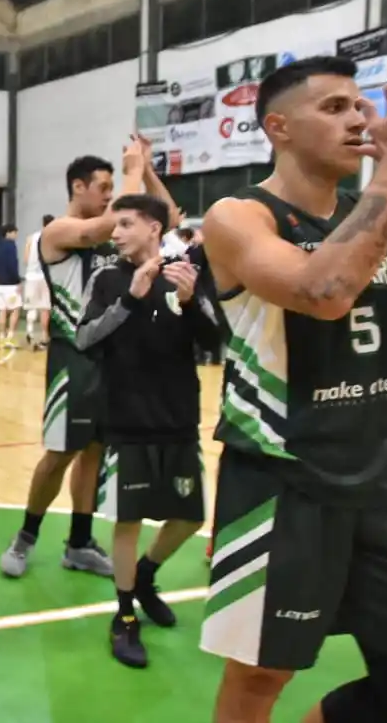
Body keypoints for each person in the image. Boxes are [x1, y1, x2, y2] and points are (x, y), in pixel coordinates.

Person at [199, 56, 387, 723]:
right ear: (278, 126)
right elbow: (324, 291)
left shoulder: (379, 216)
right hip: (285, 481)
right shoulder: (237, 216)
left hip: (383, 475)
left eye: (362, 106)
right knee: (261, 679)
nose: (359, 118)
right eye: (335, 107)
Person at [0, 137, 180, 579]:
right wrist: (132, 172)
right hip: (72, 357)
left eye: (111, 186)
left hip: (115, 357)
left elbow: (168, 220)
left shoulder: (114, 233)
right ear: (78, 187)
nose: (107, 193)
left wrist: (148, 171)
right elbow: (99, 227)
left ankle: (79, 542)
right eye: (102, 186)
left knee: (95, 453)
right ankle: (25, 536)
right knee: (60, 453)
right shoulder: (59, 232)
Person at [75, 193, 220, 668]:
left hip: (177, 418)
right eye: (115, 225)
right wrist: (130, 300)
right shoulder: (108, 277)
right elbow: (85, 338)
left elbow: (215, 342)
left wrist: (188, 300)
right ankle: (124, 616)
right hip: (125, 421)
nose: (114, 233)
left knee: (190, 517)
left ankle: (145, 575)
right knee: (127, 522)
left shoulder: (187, 275)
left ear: (155, 229)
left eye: (126, 224)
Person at [0, 223, 23, 348]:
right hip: (10, 285)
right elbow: (12, 264)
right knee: (15, 309)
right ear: (8, 233)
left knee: (2, 310)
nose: (16, 235)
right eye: (15, 232)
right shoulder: (11, 246)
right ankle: (10, 337)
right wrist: (18, 281)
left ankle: (1, 338)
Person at [23, 214, 54, 350]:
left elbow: (25, 259)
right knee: (45, 308)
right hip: (45, 277)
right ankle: (45, 336)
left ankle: (29, 332)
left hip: (31, 276)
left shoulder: (31, 238)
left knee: (31, 307)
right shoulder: (53, 238)